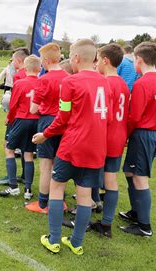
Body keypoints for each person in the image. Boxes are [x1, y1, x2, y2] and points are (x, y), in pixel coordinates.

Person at [33, 39, 112, 255]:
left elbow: (62, 118)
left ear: (76, 58)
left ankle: (54, 239)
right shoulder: (106, 82)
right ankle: (76, 243)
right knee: (85, 195)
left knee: (57, 187)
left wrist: (45, 134)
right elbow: (109, 117)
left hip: (73, 145)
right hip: (96, 148)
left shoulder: (71, 82)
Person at [89, 43, 130, 238]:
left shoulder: (105, 83)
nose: (96, 63)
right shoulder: (122, 83)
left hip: (105, 135)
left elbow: (104, 115)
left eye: (98, 59)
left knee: (89, 174)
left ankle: (85, 211)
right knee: (111, 179)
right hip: (119, 135)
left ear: (105, 60)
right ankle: (106, 223)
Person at [119, 42, 156, 237]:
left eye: (134, 59)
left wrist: (125, 135)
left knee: (140, 177)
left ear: (139, 60)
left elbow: (134, 116)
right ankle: (136, 211)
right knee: (129, 171)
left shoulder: (142, 83)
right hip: (153, 134)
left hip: (143, 133)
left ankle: (144, 226)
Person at [29, 43, 69, 207]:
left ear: (46, 60)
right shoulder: (69, 76)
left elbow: (33, 109)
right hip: (65, 122)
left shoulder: (44, 79)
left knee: (46, 165)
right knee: (61, 164)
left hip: (47, 122)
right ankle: (59, 200)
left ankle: (43, 203)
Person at [0, 55, 41, 199]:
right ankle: (28, 190)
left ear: (25, 68)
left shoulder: (20, 83)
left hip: (22, 119)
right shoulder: (42, 83)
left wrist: (9, 120)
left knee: (9, 150)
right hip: (36, 121)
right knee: (28, 154)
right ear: (39, 68)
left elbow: (13, 105)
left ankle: (13, 186)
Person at [0, 47, 29, 185]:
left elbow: (14, 100)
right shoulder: (32, 74)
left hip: (18, 117)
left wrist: (9, 116)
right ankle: (25, 177)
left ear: (19, 60)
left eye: (13, 59)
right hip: (30, 117)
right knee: (26, 149)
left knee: (8, 146)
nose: (12, 62)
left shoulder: (19, 76)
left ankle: (11, 178)